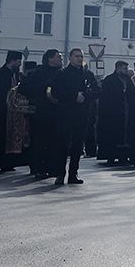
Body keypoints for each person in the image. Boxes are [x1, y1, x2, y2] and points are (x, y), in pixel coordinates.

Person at [51, 49, 100, 185]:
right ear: (70, 58)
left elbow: (96, 90)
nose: (79, 59)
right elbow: (57, 92)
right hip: (65, 114)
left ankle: (73, 173)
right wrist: (74, 96)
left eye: (81, 56)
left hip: (82, 114)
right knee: (63, 144)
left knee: (78, 145)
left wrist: (85, 95)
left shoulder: (87, 74)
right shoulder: (62, 74)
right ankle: (60, 173)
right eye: (76, 56)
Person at [21, 50, 62, 179]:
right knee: (40, 141)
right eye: (58, 57)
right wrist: (43, 86)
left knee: (55, 142)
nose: (61, 59)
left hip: (58, 112)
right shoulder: (38, 73)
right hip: (41, 112)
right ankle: (38, 168)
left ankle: (53, 167)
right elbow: (24, 88)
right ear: (50, 59)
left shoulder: (62, 73)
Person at [0, 51, 23, 173]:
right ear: (11, 61)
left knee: (10, 137)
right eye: (18, 61)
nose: (20, 64)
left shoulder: (15, 75)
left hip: (12, 112)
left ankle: (7, 163)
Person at [97, 61, 135, 167]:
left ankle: (123, 156)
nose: (125, 71)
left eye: (126, 68)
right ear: (118, 68)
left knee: (125, 135)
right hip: (113, 113)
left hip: (126, 112)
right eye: (124, 68)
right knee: (113, 136)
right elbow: (105, 98)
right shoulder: (109, 80)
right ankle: (111, 156)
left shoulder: (128, 80)